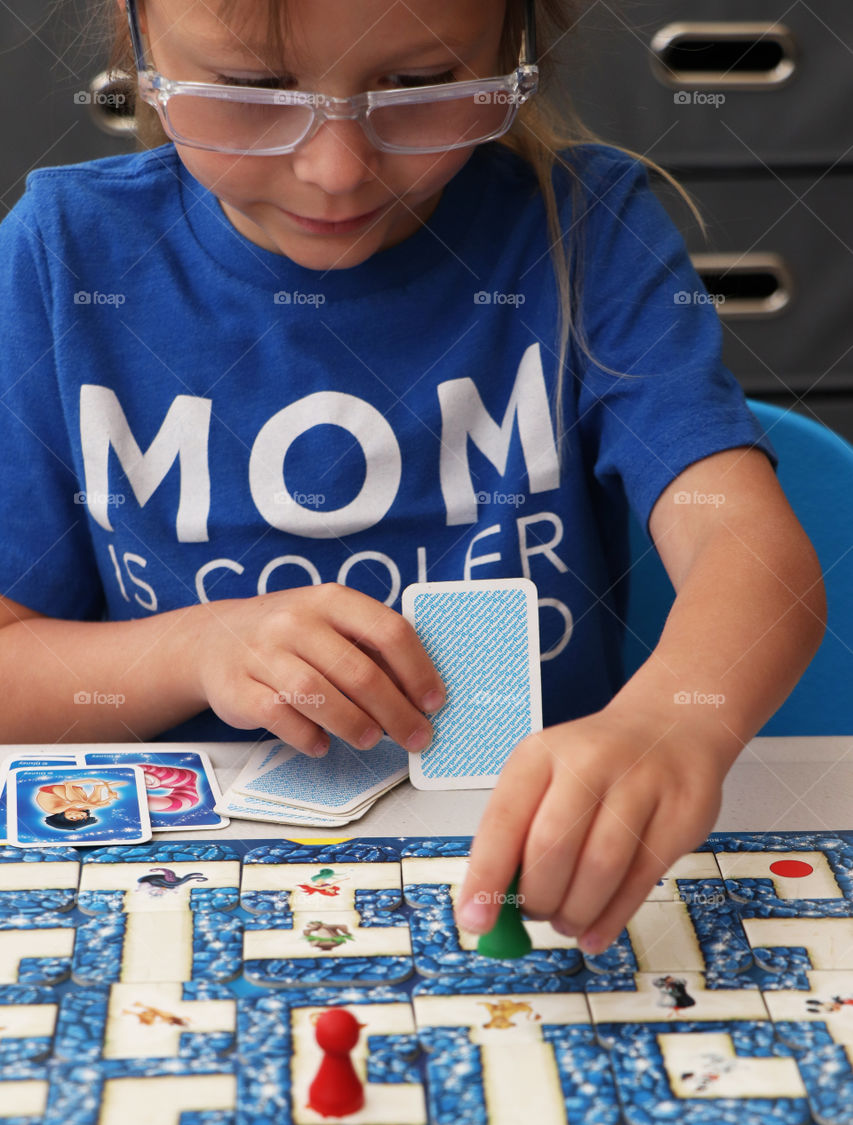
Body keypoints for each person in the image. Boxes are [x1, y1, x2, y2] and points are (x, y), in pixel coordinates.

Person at [0, 0, 825, 954]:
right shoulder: (63, 253)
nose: (336, 169)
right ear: (140, 42)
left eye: (420, 85)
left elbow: (741, 541)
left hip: (529, 871)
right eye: (253, 91)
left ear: (516, 43)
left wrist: (674, 721)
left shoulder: (589, 228)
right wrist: (194, 647)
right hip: (178, 896)